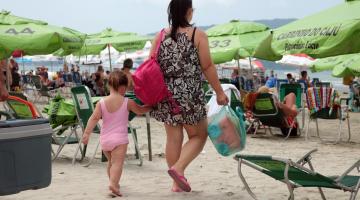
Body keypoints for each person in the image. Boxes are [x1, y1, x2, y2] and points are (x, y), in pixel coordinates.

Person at [150, 0, 229, 193]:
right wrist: (219, 92)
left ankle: (176, 183)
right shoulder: (197, 35)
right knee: (199, 136)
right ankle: (178, 169)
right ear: (189, 12)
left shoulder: (160, 36)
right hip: (190, 93)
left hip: (166, 94)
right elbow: (207, 66)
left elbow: (151, 65)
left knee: (173, 138)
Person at [82, 71, 152, 197]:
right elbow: (140, 110)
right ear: (122, 87)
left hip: (105, 141)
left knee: (111, 163)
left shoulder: (101, 103)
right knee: (118, 164)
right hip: (119, 140)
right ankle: (114, 184)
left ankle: (113, 182)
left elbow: (93, 118)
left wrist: (87, 133)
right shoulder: (127, 102)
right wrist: (151, 106)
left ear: (109, 86)